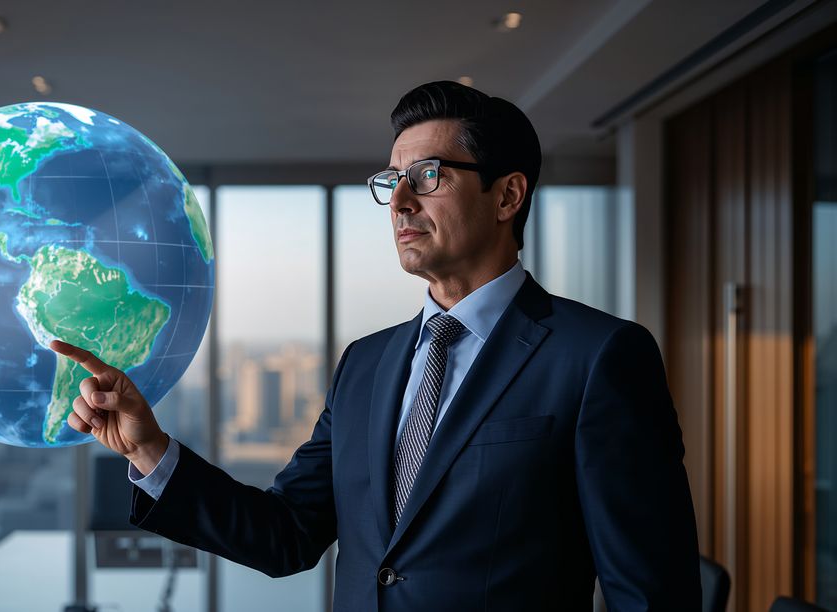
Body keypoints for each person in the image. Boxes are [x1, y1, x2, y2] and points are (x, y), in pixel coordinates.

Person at [50, 80, 702, 611]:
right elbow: (288, 535)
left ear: (507, 195)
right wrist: (149, 448)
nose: (400, 202)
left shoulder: (599, 358)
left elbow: (649, 594)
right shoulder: (367, 363)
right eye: (393, 181)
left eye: (428, 175)